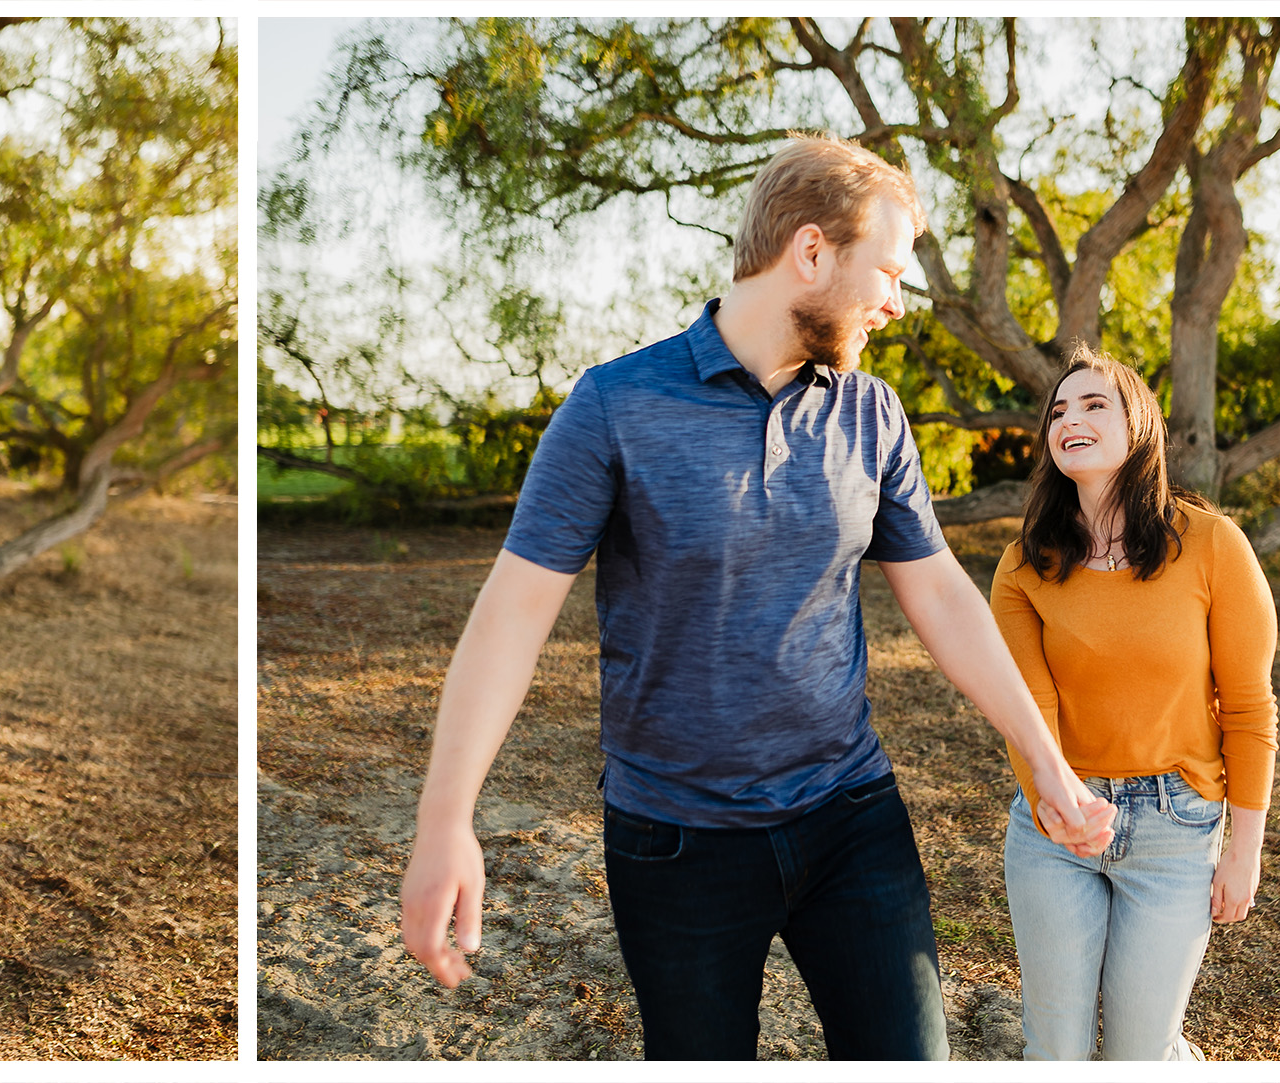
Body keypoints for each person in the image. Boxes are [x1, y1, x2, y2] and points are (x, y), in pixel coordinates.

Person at [397, 135, 1120, 1060]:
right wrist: (445, 819)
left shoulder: (873, 412)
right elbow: (512, 614)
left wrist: (1046, 761)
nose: (897, 305)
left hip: (851, 814)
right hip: (677, 840)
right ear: (810, 253)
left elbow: (940, 592)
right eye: (889, 273)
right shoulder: (615, 405)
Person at [988, 349, 1277, 1060]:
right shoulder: (1023, 566)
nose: (1070, 419)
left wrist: (1244, 851)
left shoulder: (1213, 546)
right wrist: (1058, 803)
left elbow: (1248, 707)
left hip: (1176, 829)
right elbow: (1029, 708)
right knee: (1055, 1050)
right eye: (1058, 410)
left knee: (1139, 1053)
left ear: (1139, 426)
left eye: (1094, 404)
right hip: (1057, 824)